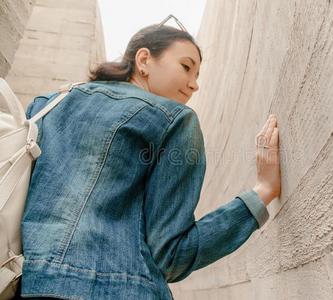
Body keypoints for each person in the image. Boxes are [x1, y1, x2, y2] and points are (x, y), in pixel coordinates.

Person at [20, 17, 280, 300]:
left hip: (29, 284)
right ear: (143, 59)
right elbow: (172, 255)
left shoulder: (47, 104)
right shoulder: (174, 121)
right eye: (186, 67)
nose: (194, 85)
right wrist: (262, 192)